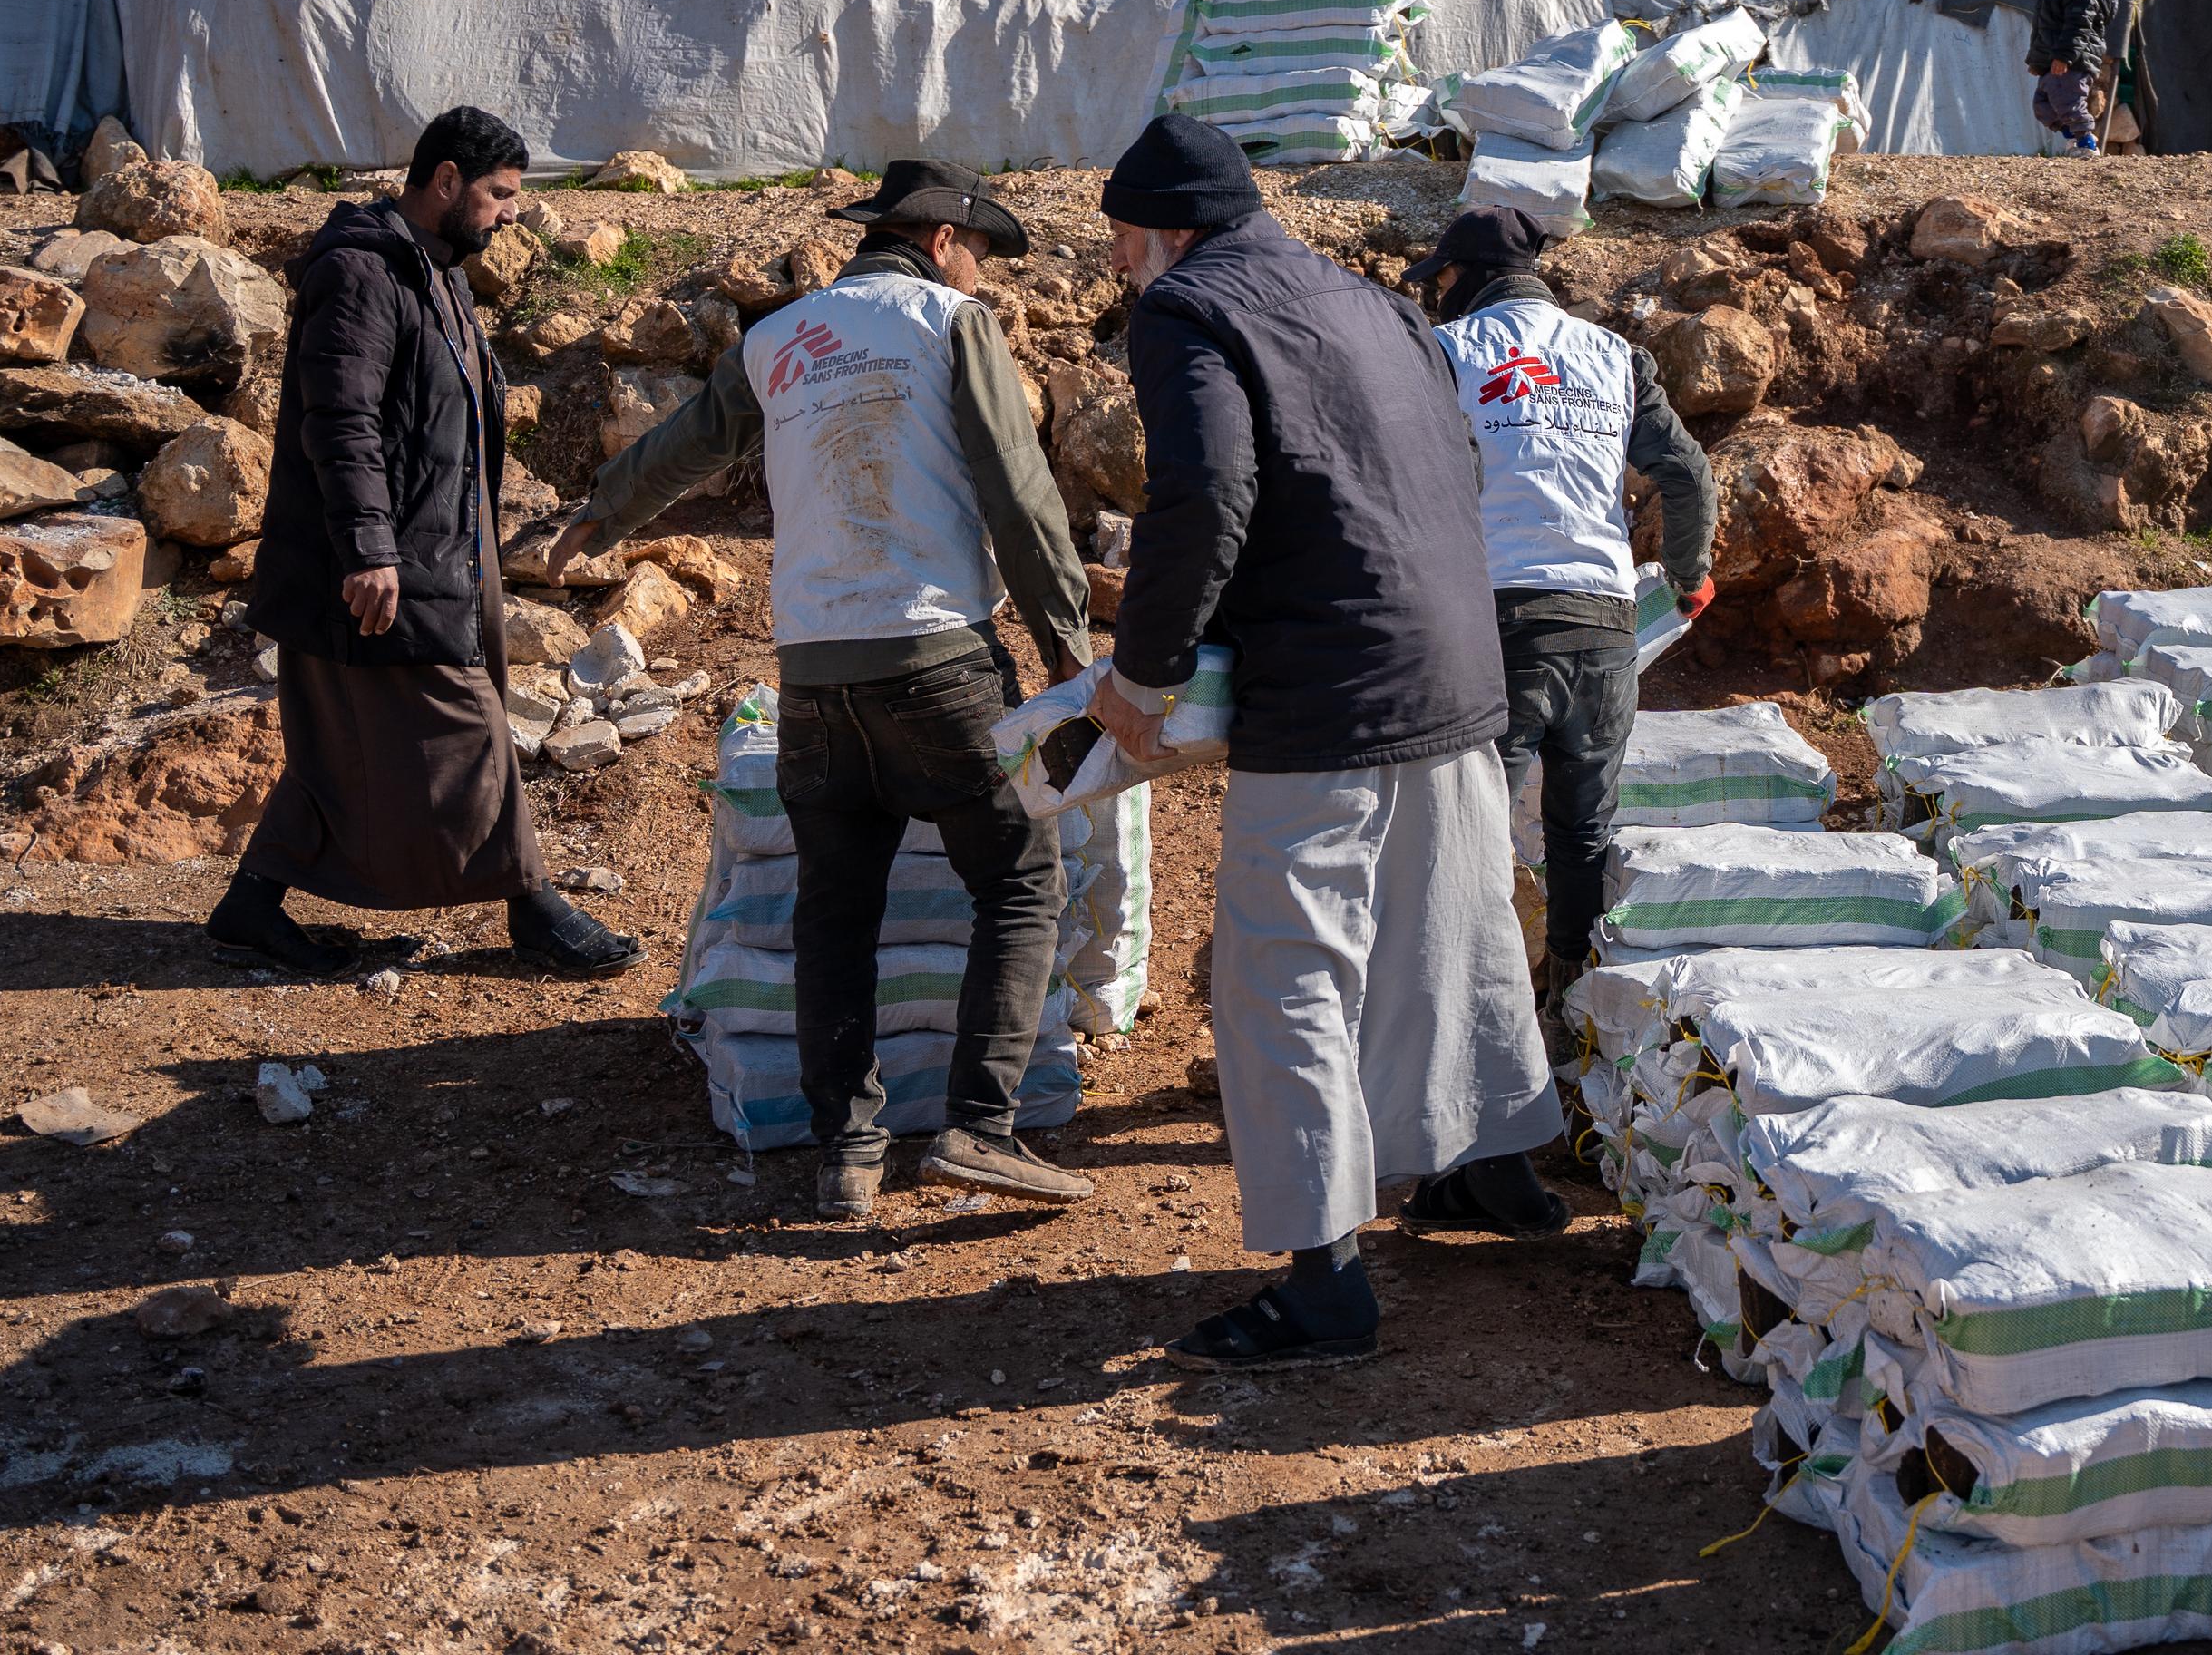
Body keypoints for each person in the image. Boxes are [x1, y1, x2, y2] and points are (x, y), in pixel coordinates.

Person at [1085, 116, 1564, 1371]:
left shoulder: (1188, 309)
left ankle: (1324, 1284)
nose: (1129, 267)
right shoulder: (1376, 304)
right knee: (1452, 933)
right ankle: (1498, 1177)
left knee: (1284, 971)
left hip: (1328, 692)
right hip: (1454, 667)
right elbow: (1454, 466)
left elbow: (1205, 496)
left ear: (1164, 232)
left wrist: (1147, 671)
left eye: (1128, 245)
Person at [554, 161, 1097, 1222]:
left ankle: (846, 1152)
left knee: (835, 915)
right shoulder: (949, 321)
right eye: (979, 252)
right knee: (1021, 879)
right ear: (942, 239)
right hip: (940, 660)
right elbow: (1019, 498)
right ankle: (981, 1128)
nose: (980, 273)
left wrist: (602, 514)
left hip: (811, 677)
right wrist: (1070, 651)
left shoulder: (778, 340)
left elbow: (682, 449)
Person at [219, 106, 636, 982]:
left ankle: (251, 907)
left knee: (342, 746)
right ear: (444, 181)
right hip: (381, 562)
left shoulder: (433, 271)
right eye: (499, 193)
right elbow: (342, 421)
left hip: (442, 553)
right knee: (473, 730)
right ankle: (533, 905)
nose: (510, 213)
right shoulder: (363, 275)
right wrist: (369, 548)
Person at [1407, 206, 1715, 1012]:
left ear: (1466, 277)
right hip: (1605, 625)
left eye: (1438, 277)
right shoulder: (1616, 355)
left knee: (1466, 835)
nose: (1434, 293)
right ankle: (1567, 1014)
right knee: (1582, 836)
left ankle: (1462, 1025)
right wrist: (1687, 575)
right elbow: (1685, 476)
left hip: (1496, 623)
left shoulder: (1444, 351)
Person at [2029, 0, 2121, 151]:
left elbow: (2078, 26)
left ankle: (2086, 142)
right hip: (2055, 60)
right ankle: (2075, 137)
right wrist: (2037, 61)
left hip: (2072, 61)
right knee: (2043, 105)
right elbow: (2045, 28)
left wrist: (2065, 56)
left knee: (2068, 102)